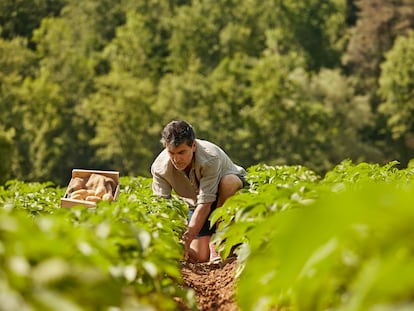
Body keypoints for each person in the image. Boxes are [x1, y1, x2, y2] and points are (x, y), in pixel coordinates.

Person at [151, 120, 246, 263]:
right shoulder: (160, 168)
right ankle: (210, 243)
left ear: (193, 146)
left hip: (225, 197)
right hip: (196, 203)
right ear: (166, 147)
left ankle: (219, 238)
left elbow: (206, 202)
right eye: (172, 153)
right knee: (200, 256)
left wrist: (187, 240)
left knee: (229, 182)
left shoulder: (210, 158)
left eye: (182, 152)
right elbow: (161, 206)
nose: (177, 159)